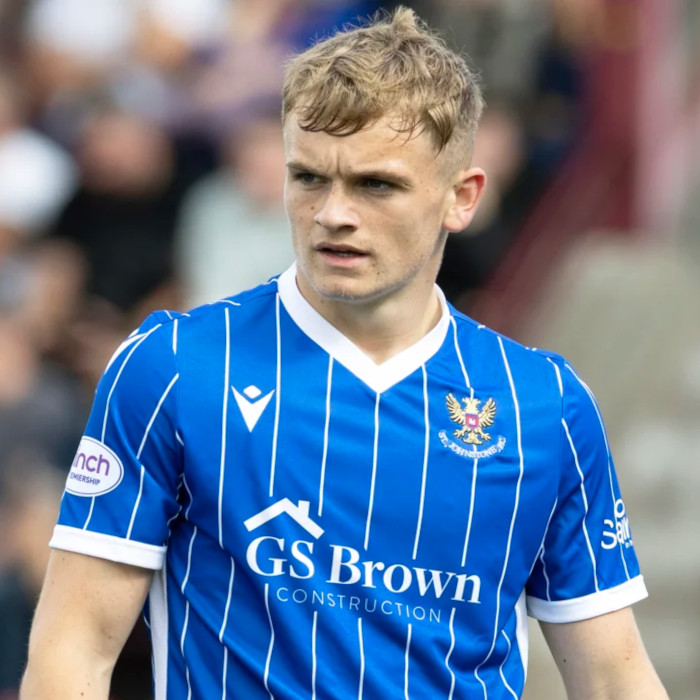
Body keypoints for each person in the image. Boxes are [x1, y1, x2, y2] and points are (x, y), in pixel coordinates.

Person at [21, 7, 668, 699]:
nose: (333, 213)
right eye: (308, 178)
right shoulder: (174, 365)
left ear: (462, 198)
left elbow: (613, 677)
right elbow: (73, 650)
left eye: (375, 184)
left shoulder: (543, 404)